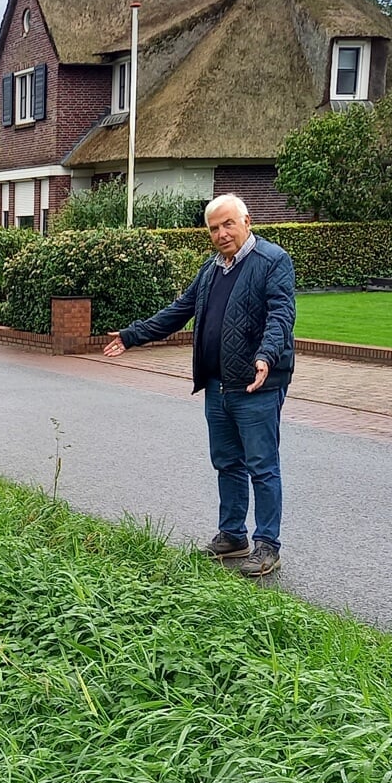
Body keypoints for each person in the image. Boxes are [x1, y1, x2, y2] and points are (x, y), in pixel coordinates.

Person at [102, 193, 296, 577]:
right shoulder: (211, 271)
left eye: (228, 224)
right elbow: (178, 312)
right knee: (227, 463)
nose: (222, 233)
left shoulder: (273, 262)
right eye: (214, 228)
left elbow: (281, 313)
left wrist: (266, 355)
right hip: (217, 385)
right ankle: (232, 535)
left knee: (262, 467)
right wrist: (131, 335)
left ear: (247, 220)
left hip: (256, 385)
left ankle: (267, 545)